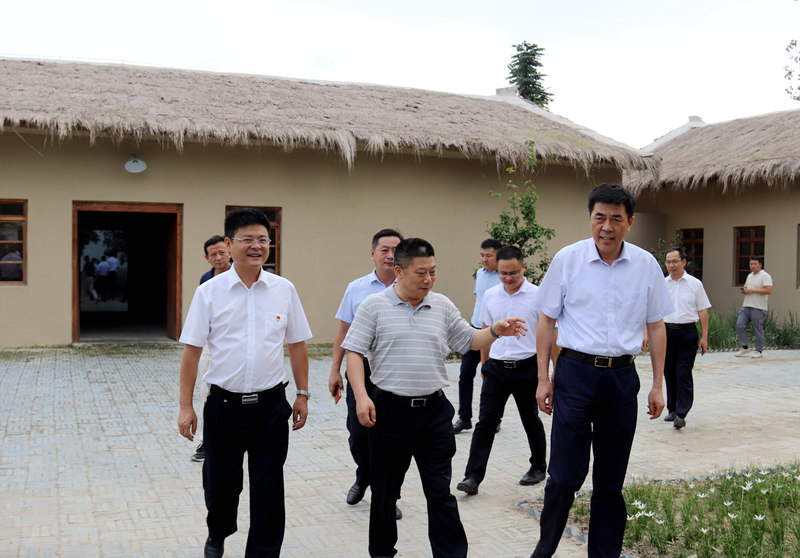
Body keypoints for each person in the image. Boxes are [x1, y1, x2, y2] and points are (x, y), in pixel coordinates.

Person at [342, 237, 527, 558]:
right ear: (399, 271)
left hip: (433, 413)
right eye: (421, 273)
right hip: (388, 412)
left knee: (440, 493)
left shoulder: (440, 305)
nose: (428, 279)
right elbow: (354, 353)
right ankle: (382, 552)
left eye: (433, 272)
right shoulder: (375, 306)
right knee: (384, 492)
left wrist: (496, 331)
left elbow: (469, 339)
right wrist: (361, 396)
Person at [531, 184, 673, 558]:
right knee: (563, 476)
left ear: (630, 222)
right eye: (599, 218)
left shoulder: (646, 265)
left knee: (610, 481)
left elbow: (656, 326)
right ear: (590, 218)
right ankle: (544, 550)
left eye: (616, 219)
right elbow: (546, 321)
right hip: (575, 374)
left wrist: (658, 385)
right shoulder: (568, 259)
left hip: (621, 380)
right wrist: (544, 378)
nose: (606, 227)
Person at [177, 207, 312, 558]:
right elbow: (191, 352)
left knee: (269, 487)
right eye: (248, 239)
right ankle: (218, 533)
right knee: (221, 484)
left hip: (270, 407)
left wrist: (302, 394)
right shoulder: (210, 292)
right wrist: (185, 405)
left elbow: (297, 345)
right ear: (228, 243)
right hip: (223, 407)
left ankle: (263, 552)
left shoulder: (284, 289)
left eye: (263, 240)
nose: (257, 246)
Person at [456, 246, 547, 496]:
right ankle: (472, 477)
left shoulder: (538, 295)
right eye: (503, 273)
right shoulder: (491, 295)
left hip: (527, 366)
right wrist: (485, 363)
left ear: (524, 268)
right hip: (496, 368)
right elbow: (487, 328)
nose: (508, 278)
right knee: (485, 422)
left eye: (513, 273)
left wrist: (546, 375)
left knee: (530, 419)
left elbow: (549, 335)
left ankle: (538, 466)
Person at [327, 229, 404, 517]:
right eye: (384, 249)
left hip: (397, 371)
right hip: (362, 369)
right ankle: (364, 476)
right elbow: (343, 332)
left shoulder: (412, 287)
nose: (390, 255)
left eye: (395, 249)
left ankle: (388, 495)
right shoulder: (356, 288)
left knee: (392, 437)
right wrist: (335, 370)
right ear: (372, 253)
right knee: (359, 434)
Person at [658, 246, 711, 430]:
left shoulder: (695, 284)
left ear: (683, 262)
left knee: (683, 372)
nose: (671, 265)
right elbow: (654, 311)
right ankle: (672, 409)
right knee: (669, 371)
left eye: (675, 261)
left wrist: (704, 337)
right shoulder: (662, 284)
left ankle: (682, 413)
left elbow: (703, 310)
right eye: (668, 262)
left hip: (687, 333)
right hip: (666, 332)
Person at [191, 235, 233, 463]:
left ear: (229, 251)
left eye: (222, 252)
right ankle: (207, 440)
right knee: (207, 391)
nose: (218, 257)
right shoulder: (205, 281)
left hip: (237, 344)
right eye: (213, 254)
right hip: (211, 343)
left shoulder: (243, 275)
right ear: (207, 258)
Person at [453, 238, 502, 434]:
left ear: (498, 255)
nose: (484, 259)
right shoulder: (480, 274)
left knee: (490, 376)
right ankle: (464, 418)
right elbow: (478, 299)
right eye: (482, 255)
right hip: (474, 330)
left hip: (494, 334)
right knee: (465, 374)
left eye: (488, 256)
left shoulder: (503, 276)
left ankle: (493, 418)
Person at [735, 256, 772, 359]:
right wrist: (745, 291)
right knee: (740, 324)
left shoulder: (765, 276)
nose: (753, 266)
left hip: (759, 307)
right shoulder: (749, 276)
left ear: (760, 264)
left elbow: (769, 290)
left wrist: (752, 290)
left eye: (755, 264)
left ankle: (758, 350)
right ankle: (745, 347)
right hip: (747, 305)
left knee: (758, 328)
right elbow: (748, 288)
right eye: (751, 264)